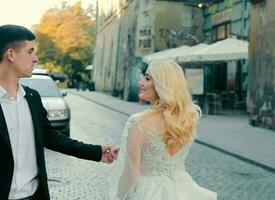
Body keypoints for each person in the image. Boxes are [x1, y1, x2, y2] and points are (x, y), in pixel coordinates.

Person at [0, 24, 119, 200]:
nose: (35, 58)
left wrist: (97, 152)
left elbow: (52, 137)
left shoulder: (32, 97)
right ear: (11, 54)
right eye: (30, 51)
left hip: (35, 196)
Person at [114, 59, 217, 199]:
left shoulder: (138, 122)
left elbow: (130, 175)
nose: (140, 82)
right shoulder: (186, 119)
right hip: (183, 191)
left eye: (147, 78)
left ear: (162, 85)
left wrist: (118, 197)